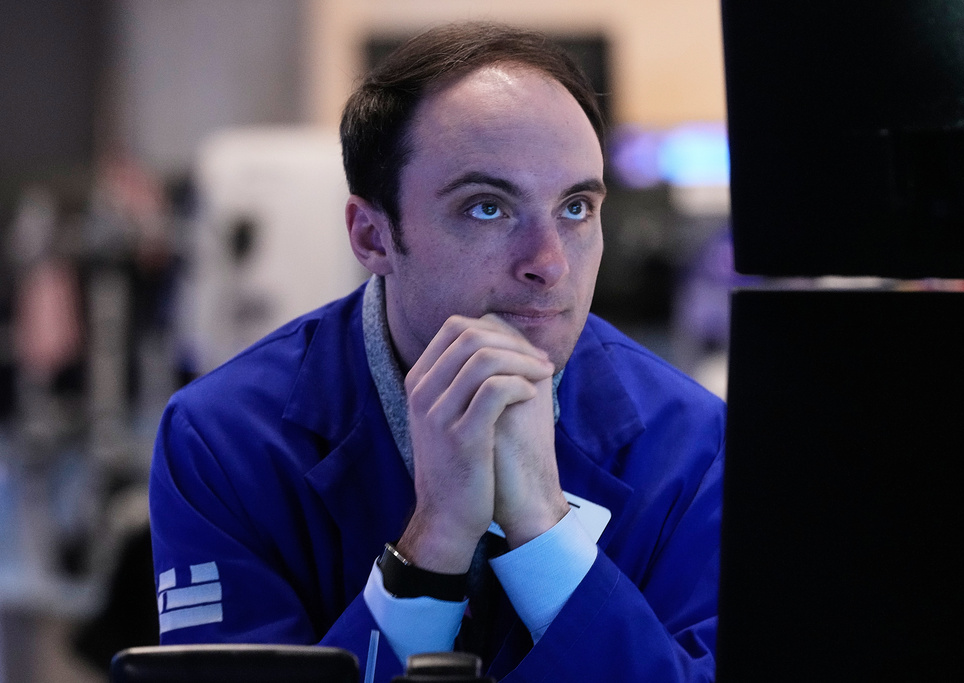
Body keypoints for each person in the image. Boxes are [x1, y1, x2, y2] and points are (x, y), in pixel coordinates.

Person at [150, 22, 725, 682]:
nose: (549, 264)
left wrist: (545, 536)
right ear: (372, 236)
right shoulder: (221, 441)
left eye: (575, 208)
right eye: (487, 208)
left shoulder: (693, 445)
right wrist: (433, 543)